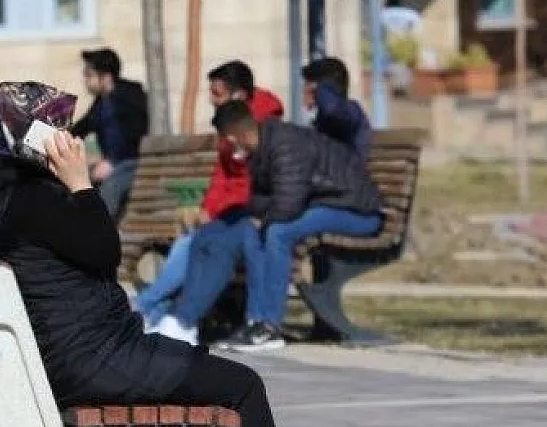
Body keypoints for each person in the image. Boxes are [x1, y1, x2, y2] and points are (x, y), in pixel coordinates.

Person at [0, 81, 311, 427]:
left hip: (78, 353)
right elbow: (104, 249)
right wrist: (79, 184)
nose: (67, 137)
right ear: (22, 138)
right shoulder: (33, 201)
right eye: (54, 128)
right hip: (96, 358)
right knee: (241, 385)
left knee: (219, 375)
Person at [157, 102, 385, 352]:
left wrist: (262, 217)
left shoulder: (286, 144)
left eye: (228, 141)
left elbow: (289, 201)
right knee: (252, 231)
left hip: (356, 209)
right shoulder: (260, 148)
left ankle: (270, 326)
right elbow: (259, 198)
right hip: (322, 204)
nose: (228, 147)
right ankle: (255, 321)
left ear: (238, 136)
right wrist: (256, 216)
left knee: (278, 232)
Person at [134, 61, 284, 326]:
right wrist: (207, 209)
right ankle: (153, 316)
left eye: (216, 93)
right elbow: (222, 174)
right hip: (229, 211)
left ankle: (145, 308)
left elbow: (251, 183)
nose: (210, 99)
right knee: (189, 240)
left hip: (248, 212)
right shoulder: (231, 123)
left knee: (193, 244)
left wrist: (214, 212)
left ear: (237, 95)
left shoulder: (259, 128)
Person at [70, 48, 150, 220]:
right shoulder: (101, 102)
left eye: (89, 74)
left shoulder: (131, 97)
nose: (85, 80)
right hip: (114, 164)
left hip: (135, 163)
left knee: (109, 189)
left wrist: (113, 162)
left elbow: (138, 135)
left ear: (105, 77)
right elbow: (81, 128)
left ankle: (99, 234)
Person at [302, 58, 372, 158]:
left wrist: (319, 89)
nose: (304, 89)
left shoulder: (352, 111)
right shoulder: (322, 119)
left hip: (347, 172)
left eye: (308, 84)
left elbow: (333, 110)